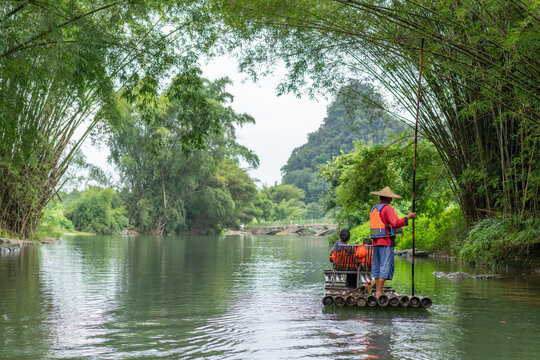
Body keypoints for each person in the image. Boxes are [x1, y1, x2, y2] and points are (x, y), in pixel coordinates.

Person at [369, 186, 416, 298]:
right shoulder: (387, 209)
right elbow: (395, 223)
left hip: (376, 241)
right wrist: (408, 217)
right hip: (385, 241)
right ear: (389, 199)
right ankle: (379, 292)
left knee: (377, 265)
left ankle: (378, 291)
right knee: (385, 266)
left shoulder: (375, 208)